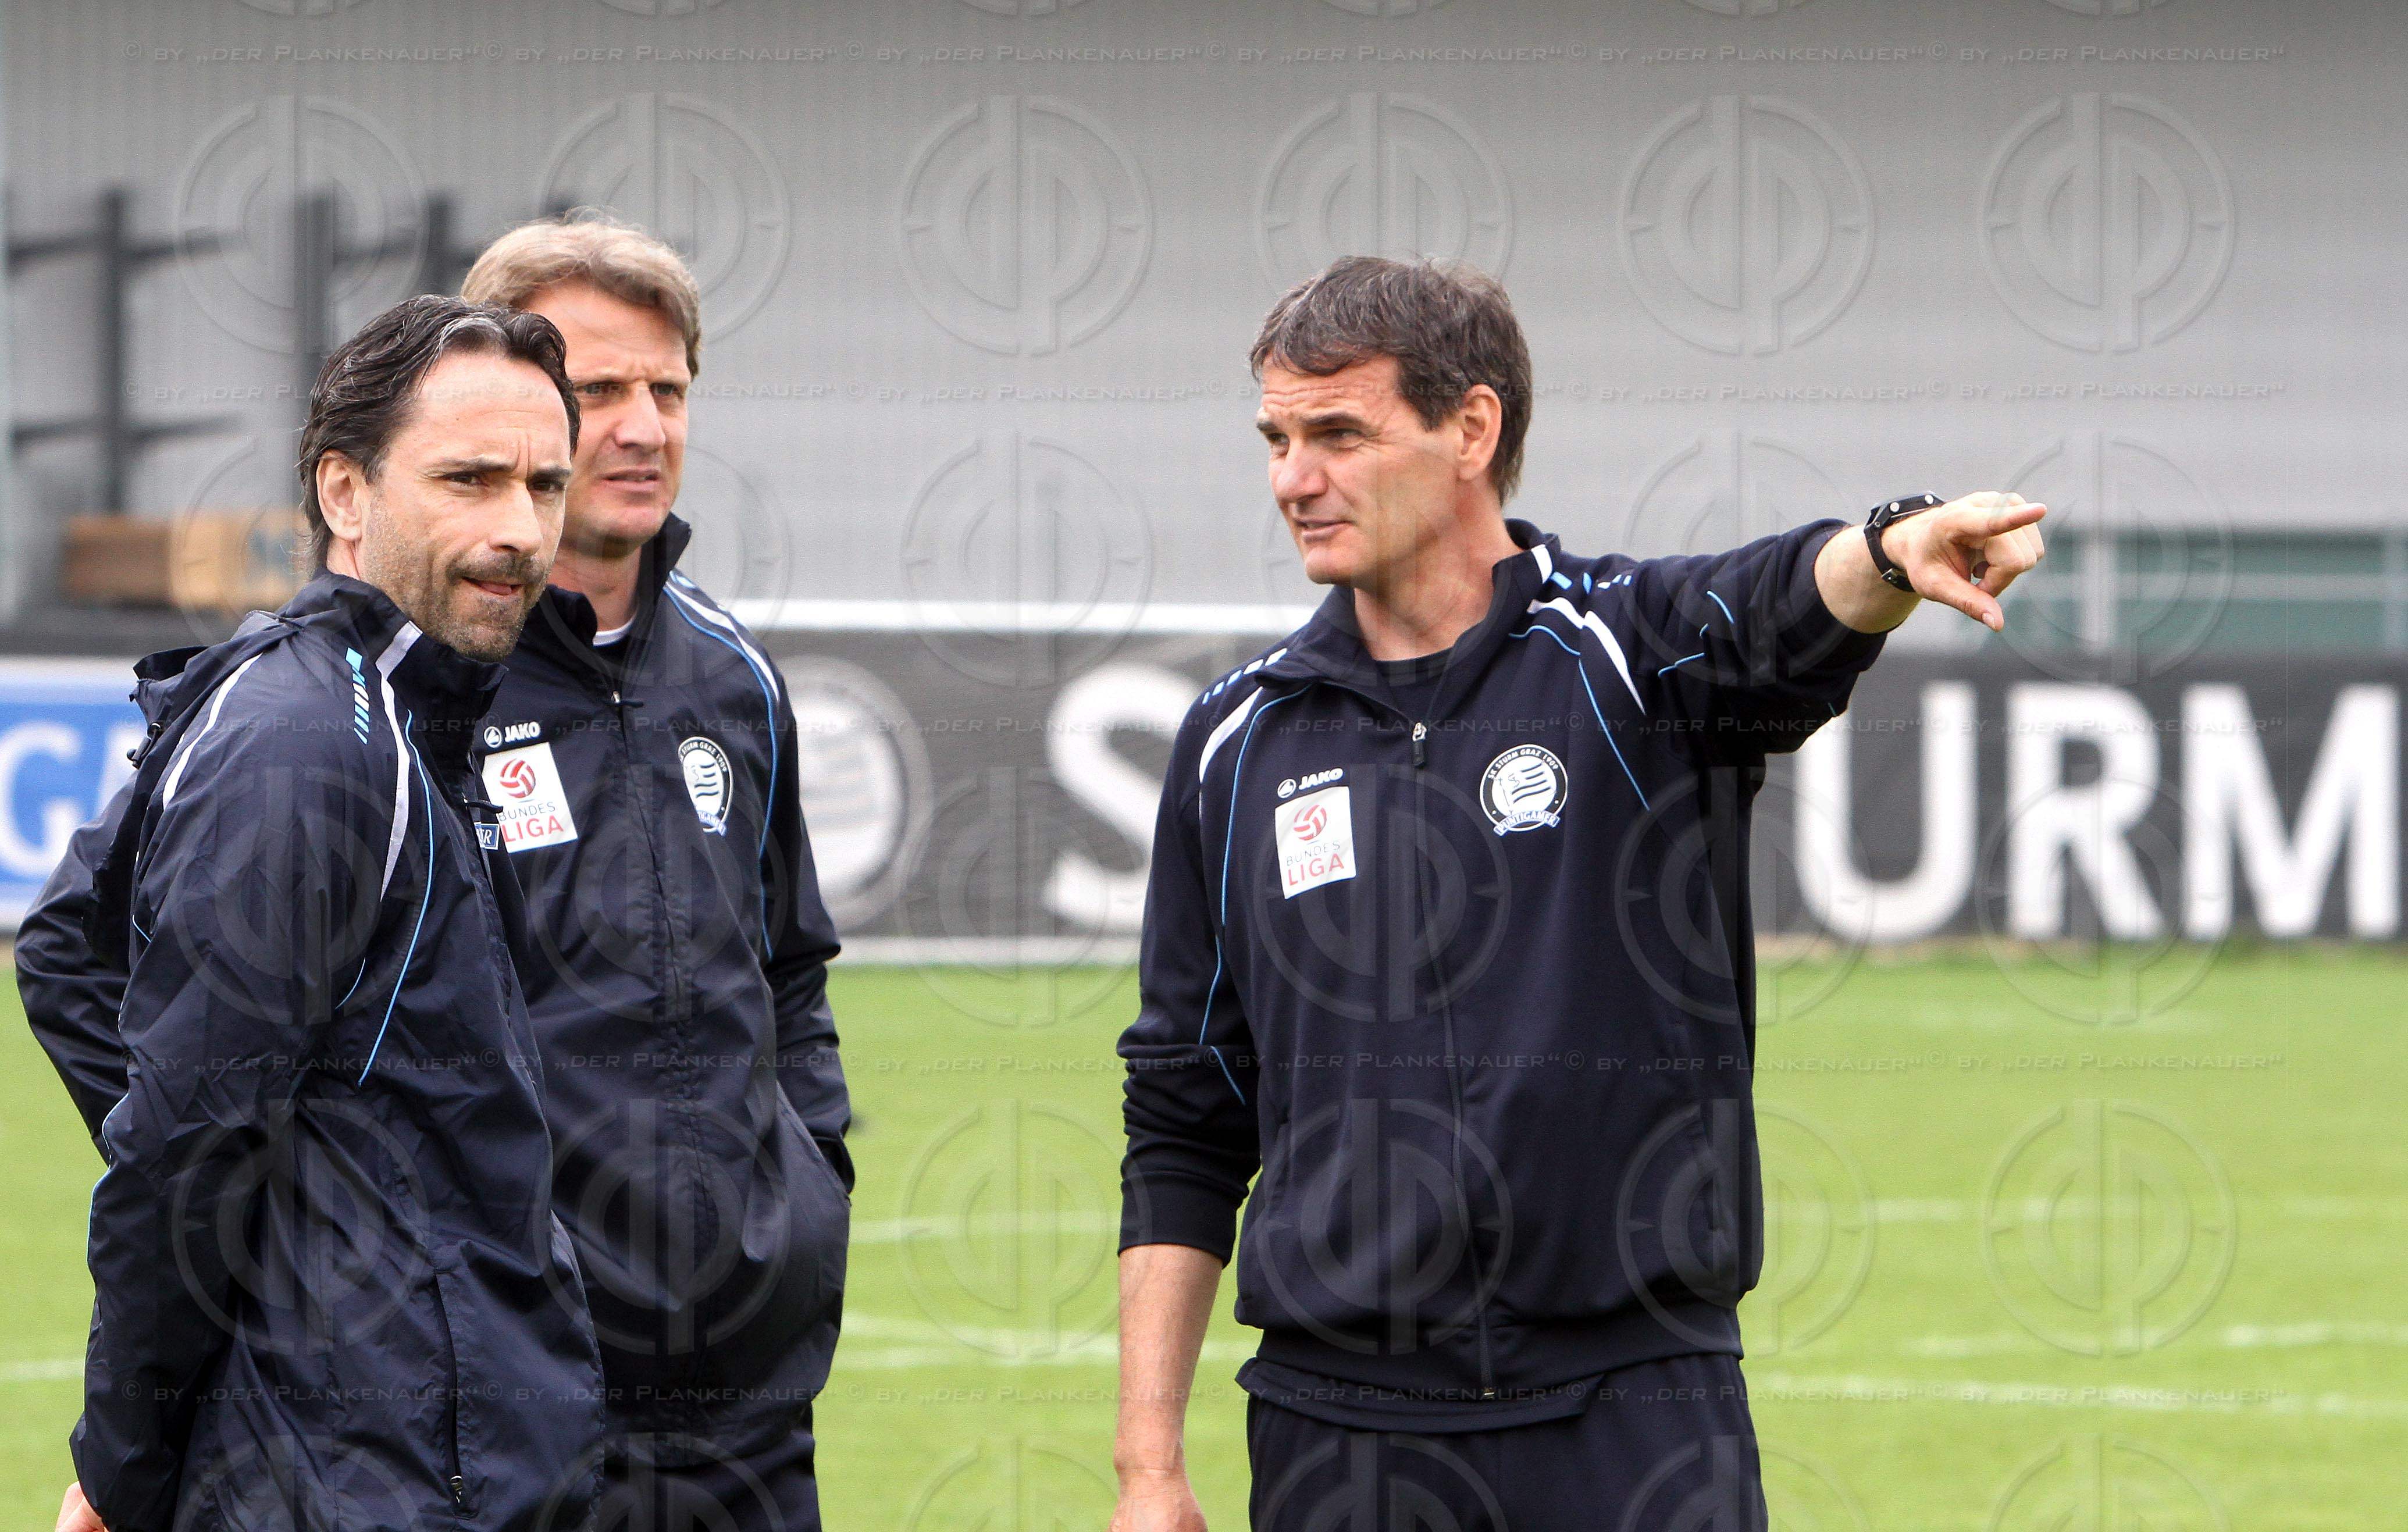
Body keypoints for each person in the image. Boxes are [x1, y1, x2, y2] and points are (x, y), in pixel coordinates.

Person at [1110, 256, 2047, 1531]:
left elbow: (1782, 603)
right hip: (1339, 1434)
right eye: (1277, 440)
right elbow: (1185, 1119)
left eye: (1338, 435)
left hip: (1635, 1418)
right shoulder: (1240, 741)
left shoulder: (1630, 654)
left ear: (1471, 429)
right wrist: (1149, 1468)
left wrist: (1892, 545)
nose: (1293, 479)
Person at [20, 297, 608, 1532]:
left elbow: (69, 943)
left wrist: (309, 1212)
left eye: (544, 486)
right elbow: (183, 1146)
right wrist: (127, 1471)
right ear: (346, 491)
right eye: (469, 479)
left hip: (413, 1446)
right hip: (373, 1470)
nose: (519, 528)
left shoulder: (393, 708)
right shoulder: (308, 744)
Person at [461, 213, 850, 1532]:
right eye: (600, 390)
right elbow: (88, 953)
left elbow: (790, 971)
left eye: (668, 391)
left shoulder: (735, 678)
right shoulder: (418, 690)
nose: (642, 428)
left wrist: (812, 1190)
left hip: (747, 1392)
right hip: (512, 1389)